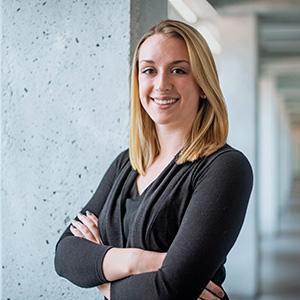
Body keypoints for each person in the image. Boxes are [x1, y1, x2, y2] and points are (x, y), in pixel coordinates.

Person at [54, 19, 253, 300]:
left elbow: (171, 290)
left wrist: (103, 281)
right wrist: (146, 261)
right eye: (149, 70)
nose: (162, 84)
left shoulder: (225, 168)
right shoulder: (126, 164)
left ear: (204, 84)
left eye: (178, 70)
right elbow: (65, 254)